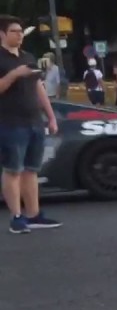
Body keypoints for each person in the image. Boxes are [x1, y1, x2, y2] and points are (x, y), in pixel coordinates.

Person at [0, 14, 60, 234]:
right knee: (12, 170)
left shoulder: (28, 56)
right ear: (2, 34)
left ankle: (34, 214)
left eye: (20, 32)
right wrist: (15, 74)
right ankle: (16, 217)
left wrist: (51, 116)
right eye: (14, 31)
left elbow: (38, 88)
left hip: (34, 120)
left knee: (31, 170)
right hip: (10, 122)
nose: (19, 35)